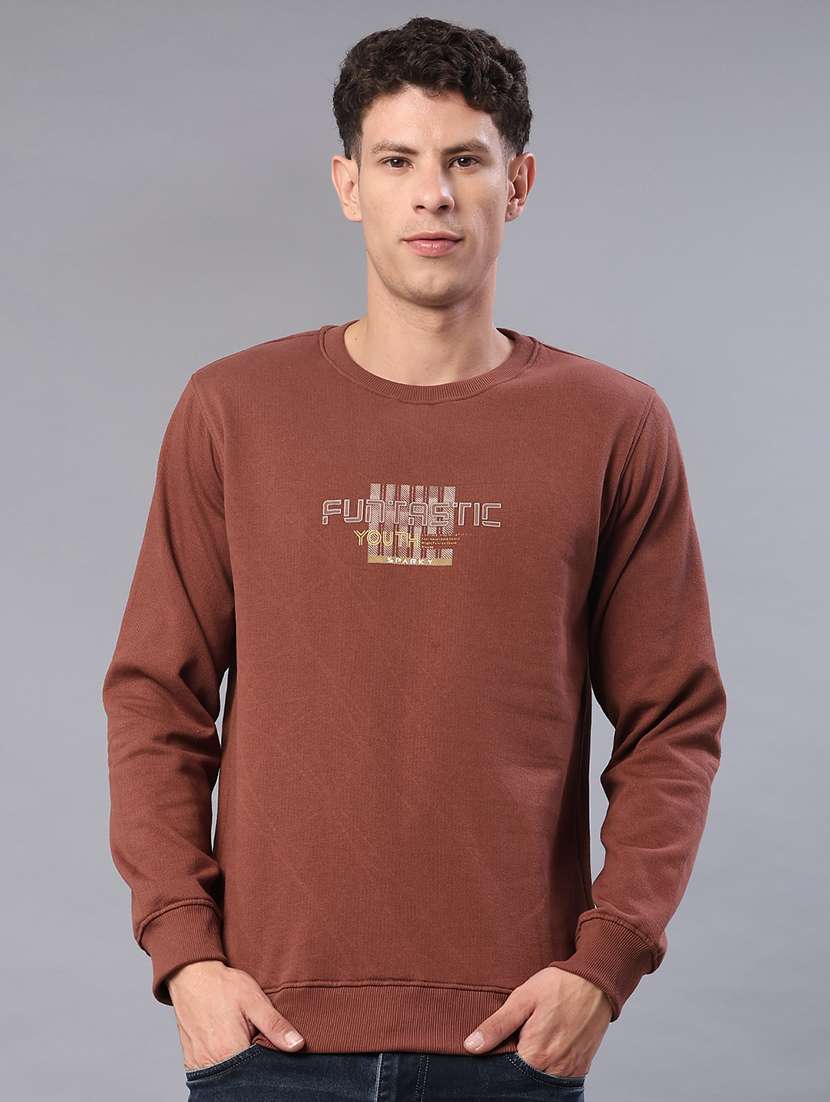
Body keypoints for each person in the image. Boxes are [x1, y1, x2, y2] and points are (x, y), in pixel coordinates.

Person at [102, 15, 727, 1100]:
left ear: (516, 183)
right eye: (396, 161)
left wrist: (605, 966)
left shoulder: (612, 426)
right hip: (266, 1032)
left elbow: (673, 719)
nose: (431, 195)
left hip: (513, 1035)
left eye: (464, 161)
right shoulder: (232, 411)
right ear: (349, 185)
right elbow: (156, 696)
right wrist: (185, 956)